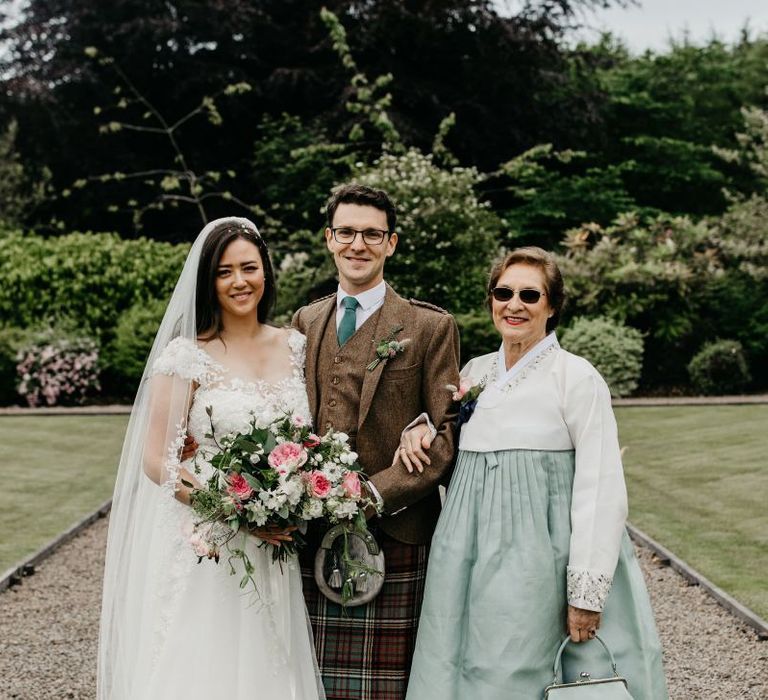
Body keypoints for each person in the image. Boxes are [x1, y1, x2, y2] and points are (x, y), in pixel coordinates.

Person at [403, 247, 668, 699]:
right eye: (503, 292)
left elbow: (600, 487)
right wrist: (420, 428)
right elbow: (447, 436)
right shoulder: (473, 372)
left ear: (552, 305)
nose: (515, 304)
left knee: (520, 669)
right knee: (460, 666)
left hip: (539, 560)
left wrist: (586, 593)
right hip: (466, 555)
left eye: (530, 294)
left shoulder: (576, 378)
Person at [97, 217, 325, 699]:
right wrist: (236, 511)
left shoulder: (296, 345)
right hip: (211, 536)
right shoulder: (187, 355)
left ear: (266, 271)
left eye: (249, 267)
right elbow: (157, 458)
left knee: (270, 657)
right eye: (224, 272)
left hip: (275, 542)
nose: (239, 281)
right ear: (208, 282)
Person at [292, 183, 461, 699]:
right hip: (307, 531)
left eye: (371, 234)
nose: (357, 244)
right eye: (346, 232)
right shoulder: (305, 321)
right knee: (309, 679)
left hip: (397, 531)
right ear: (329, 238)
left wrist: (370, 495)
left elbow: (446, 434)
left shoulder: (429, 326)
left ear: (391, 243)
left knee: (386, 689)